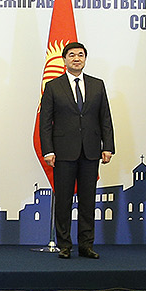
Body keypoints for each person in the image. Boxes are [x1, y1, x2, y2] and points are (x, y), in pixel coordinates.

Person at [37, 41, 114, 258]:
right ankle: (65, 245)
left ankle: (86, 245)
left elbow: (105, 118)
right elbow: (45, 122)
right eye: (72, 55)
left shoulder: (97, 85)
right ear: (64, 59)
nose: (76, 58)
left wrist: (108, 146)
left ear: (85, 59)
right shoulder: (53, 86)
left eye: (80, 55)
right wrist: (48, 150)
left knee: (88, 201)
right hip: (63, 152)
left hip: (90, 151)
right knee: (63, 200)